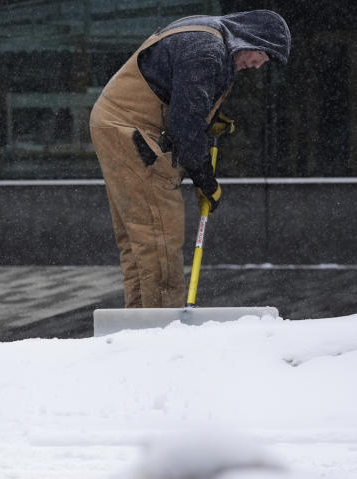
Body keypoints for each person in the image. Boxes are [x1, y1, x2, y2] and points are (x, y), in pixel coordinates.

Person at [90, 11, 291, 309]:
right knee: (159, 238)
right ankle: (162, 331)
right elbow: (185, 124)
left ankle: (138, 328)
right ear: (249, 38)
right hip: (132, 131)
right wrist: (205, 180)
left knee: (140, 239)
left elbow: (181, 98)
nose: (259, 64)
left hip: (119, 126)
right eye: (263, 54)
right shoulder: (206, 48)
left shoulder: (209, 36)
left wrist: (206, 121)